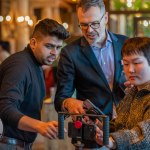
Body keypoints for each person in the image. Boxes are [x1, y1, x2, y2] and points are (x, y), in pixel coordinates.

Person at [54, 0, 128, 148]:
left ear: (105, 18)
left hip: (127, 129)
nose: (89, 30)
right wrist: (69, 102)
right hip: (93, 134)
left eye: (95, 23)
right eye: (83, 25)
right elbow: (61, 98)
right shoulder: (70, 53)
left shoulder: (125, 43)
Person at [0, 18, 69, 150]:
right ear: (33, 42)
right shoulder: (20, 66)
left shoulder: (35, 64)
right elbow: (5, 108)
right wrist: (40, 126)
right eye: (49, 46)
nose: (54, 53)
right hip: (7, 143)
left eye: (58, 47)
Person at [96, 37, 150, 150]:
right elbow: (121, 124)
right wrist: (101, 125)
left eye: (136, 63)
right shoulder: (132, 92)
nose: (130, 70)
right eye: (125, 64)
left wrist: (114, 141)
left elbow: (146, 133)